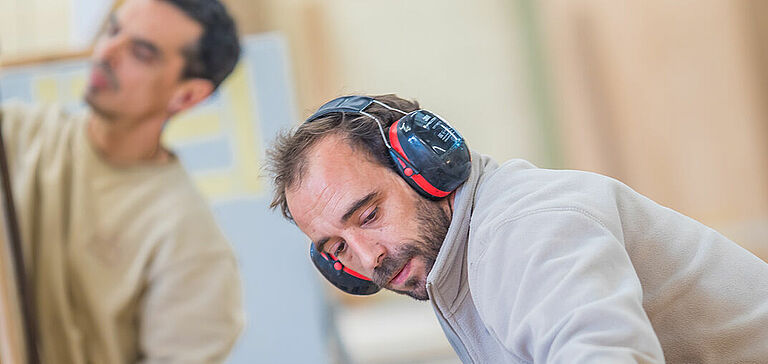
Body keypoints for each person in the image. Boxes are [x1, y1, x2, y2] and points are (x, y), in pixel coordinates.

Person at [266, 94, 768, 363]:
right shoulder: (452, 258)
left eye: (368, 215)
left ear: (423, 165)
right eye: (337, 248)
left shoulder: (525, 229)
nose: (368, 258)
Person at [0, 0, 243, 363]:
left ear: (187, 95)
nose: (107, 52)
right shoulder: (15, 135)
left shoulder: (190, 242)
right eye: (113, 30)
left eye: (141, 53)